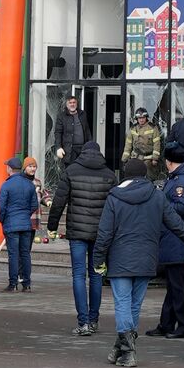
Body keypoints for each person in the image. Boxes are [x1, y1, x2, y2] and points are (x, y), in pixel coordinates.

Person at [93, 159, 184, 368]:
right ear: (144, 174)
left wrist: (98, 259)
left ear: (125, 175)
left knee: (122, 304)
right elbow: (176, 224)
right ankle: (120, 348)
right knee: (134, 305)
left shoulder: (114, 198)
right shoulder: (157, 196)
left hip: (120, 258)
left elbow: (104, 233)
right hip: (147, 258)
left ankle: (128, 351)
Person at [47, 140, 117, 336]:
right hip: (100, 233)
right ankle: (94, 320)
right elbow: (116, 206)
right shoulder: (109, 174)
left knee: (79, 275)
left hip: (77, 232)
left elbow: (59, 201)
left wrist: (52, 226)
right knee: (96, 275)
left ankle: (83, 322)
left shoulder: (71, 171)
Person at [147, 143, 184, 340]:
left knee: (180, 287)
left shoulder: (182, 181)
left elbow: (183, 206)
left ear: (169, 162)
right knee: (174, 285)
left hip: (178, 239)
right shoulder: (180, 178)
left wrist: (162, 203)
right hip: (173, 239)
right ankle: (167, 323)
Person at [0, 156, 39, 293]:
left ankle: (13, 284)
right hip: (26, 224)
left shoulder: (6, 185)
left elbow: (1, 207)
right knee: (25, 254)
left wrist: (3, 219)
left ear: (9, 168)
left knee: (13, 255)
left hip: (11, 224)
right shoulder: (29, 185)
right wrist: (25, 215)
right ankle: (26, 284)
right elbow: (34, 205)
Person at [123, 107, 163, 182]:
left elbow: (157, 144)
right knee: (135, 177)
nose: (141, 120)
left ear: (146, 118)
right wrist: (125, 158)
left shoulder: (153, 128)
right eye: (139, 118)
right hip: (136, 157)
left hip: (149, 158)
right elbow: (128, 144)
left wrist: (155, 158)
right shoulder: (133, 128)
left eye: (143, 117)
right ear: (136, 119)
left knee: (149, 178)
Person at [53, 95, 90, 167]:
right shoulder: (62, 116)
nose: (72, 104)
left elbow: (87, 131)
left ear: (77, 104)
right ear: (67, 105)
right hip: (69, 150)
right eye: (70, 103)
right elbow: (58, 132)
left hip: (83, 149)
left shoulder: (82, 114)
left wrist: (90, 146)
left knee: (82, 170)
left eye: (74, 102)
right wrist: (58, 147)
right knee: (70, 171)